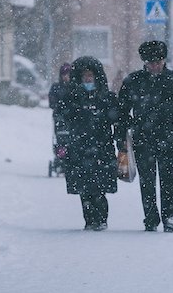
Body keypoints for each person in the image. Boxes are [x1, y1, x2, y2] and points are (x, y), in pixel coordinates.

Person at [118, 40, 173, 233]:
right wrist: (121, 134)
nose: (155, 66)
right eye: (151, 62)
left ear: (164, 60)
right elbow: (122, 111)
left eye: (158, 62)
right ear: (144, 62)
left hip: (168, 138)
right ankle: (150, 217)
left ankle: (170, 216)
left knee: (167, 178)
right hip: (143, 138)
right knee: (147, 179)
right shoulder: (133, 81)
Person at [62, 56, 124, 231]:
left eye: (91, 75)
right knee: (84, 188)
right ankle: (89, 219)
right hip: (79, 148)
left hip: (101, 148)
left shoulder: (106, 98)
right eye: (85, 76)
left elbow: (117, 120)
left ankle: (101, 218)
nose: (88, 79)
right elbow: (64, 117)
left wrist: (120, 142)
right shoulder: (72, 98)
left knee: (99, 187)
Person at [48, 63, 73, 164]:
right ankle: (61, 155)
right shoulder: (56, 87)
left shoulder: (74, 88)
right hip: (60, 117)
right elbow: (52, 102)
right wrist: (59, 105)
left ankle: (71, 154)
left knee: (73, 137)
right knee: (61, 137)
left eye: (68, 74)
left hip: (72, 117)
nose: (66, 77)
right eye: (64, 74)